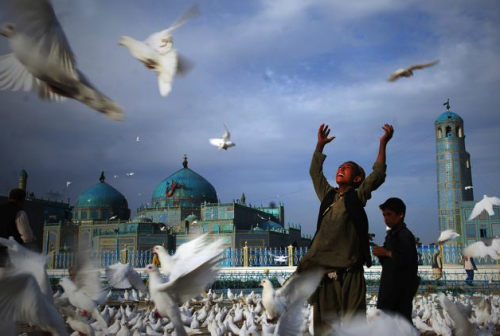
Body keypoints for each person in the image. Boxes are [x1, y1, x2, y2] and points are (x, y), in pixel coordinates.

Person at [296, 122, 394, 335]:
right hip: (326, 273)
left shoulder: (357, 197)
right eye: (340, 167)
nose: (341, 169)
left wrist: (383, 144)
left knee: (353, 324)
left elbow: (377, 176)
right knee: (324, 327)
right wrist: (320, 145)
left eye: (347, 168)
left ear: (357, 179)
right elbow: (315, 172)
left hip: (351, 273)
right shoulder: (328, 196)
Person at [372, 198, 419, 323]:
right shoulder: (391, 235)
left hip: (400, 292)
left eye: (389, 214)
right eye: (384, 215)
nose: (386, 218)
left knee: (399, 324)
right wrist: (381, 255)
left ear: (400, 215)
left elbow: (407, 261)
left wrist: (386, 253)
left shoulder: (404, 235)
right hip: (389, 288)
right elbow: (389, 263)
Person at [0, 188, 35, 266]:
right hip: (8, 260)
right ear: (22, 201)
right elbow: (27, 238)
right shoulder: (20, 213)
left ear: (8, 198)